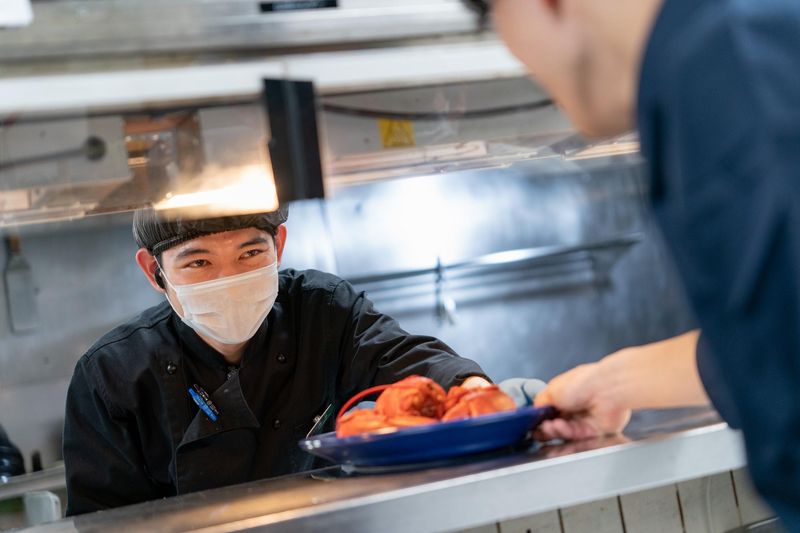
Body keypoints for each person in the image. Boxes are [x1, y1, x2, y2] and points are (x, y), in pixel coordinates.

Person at [463, 0, 800, 526]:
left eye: (490, 18)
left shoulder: (729, 71)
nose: (517, 56)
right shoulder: (726, 49)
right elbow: (782, 331)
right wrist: (614, 382)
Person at [62, 207, 496, 515]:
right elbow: (103, 522)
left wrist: (473, 391)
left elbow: (405, 359)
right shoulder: (111, 374)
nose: (230, 280)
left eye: (250, 254)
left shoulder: (323, 311)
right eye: (199, 262)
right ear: (153, 271)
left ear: (279, 244)